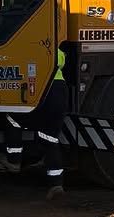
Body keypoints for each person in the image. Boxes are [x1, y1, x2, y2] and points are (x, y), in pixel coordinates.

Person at [4, 46, 69, 198]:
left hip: (42, 91)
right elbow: (62, 61)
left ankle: (14, 161)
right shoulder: (57, 51)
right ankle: (56, 185)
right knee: (50, 139)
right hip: (60, 91)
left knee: (13, 119)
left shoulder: (30, 48)